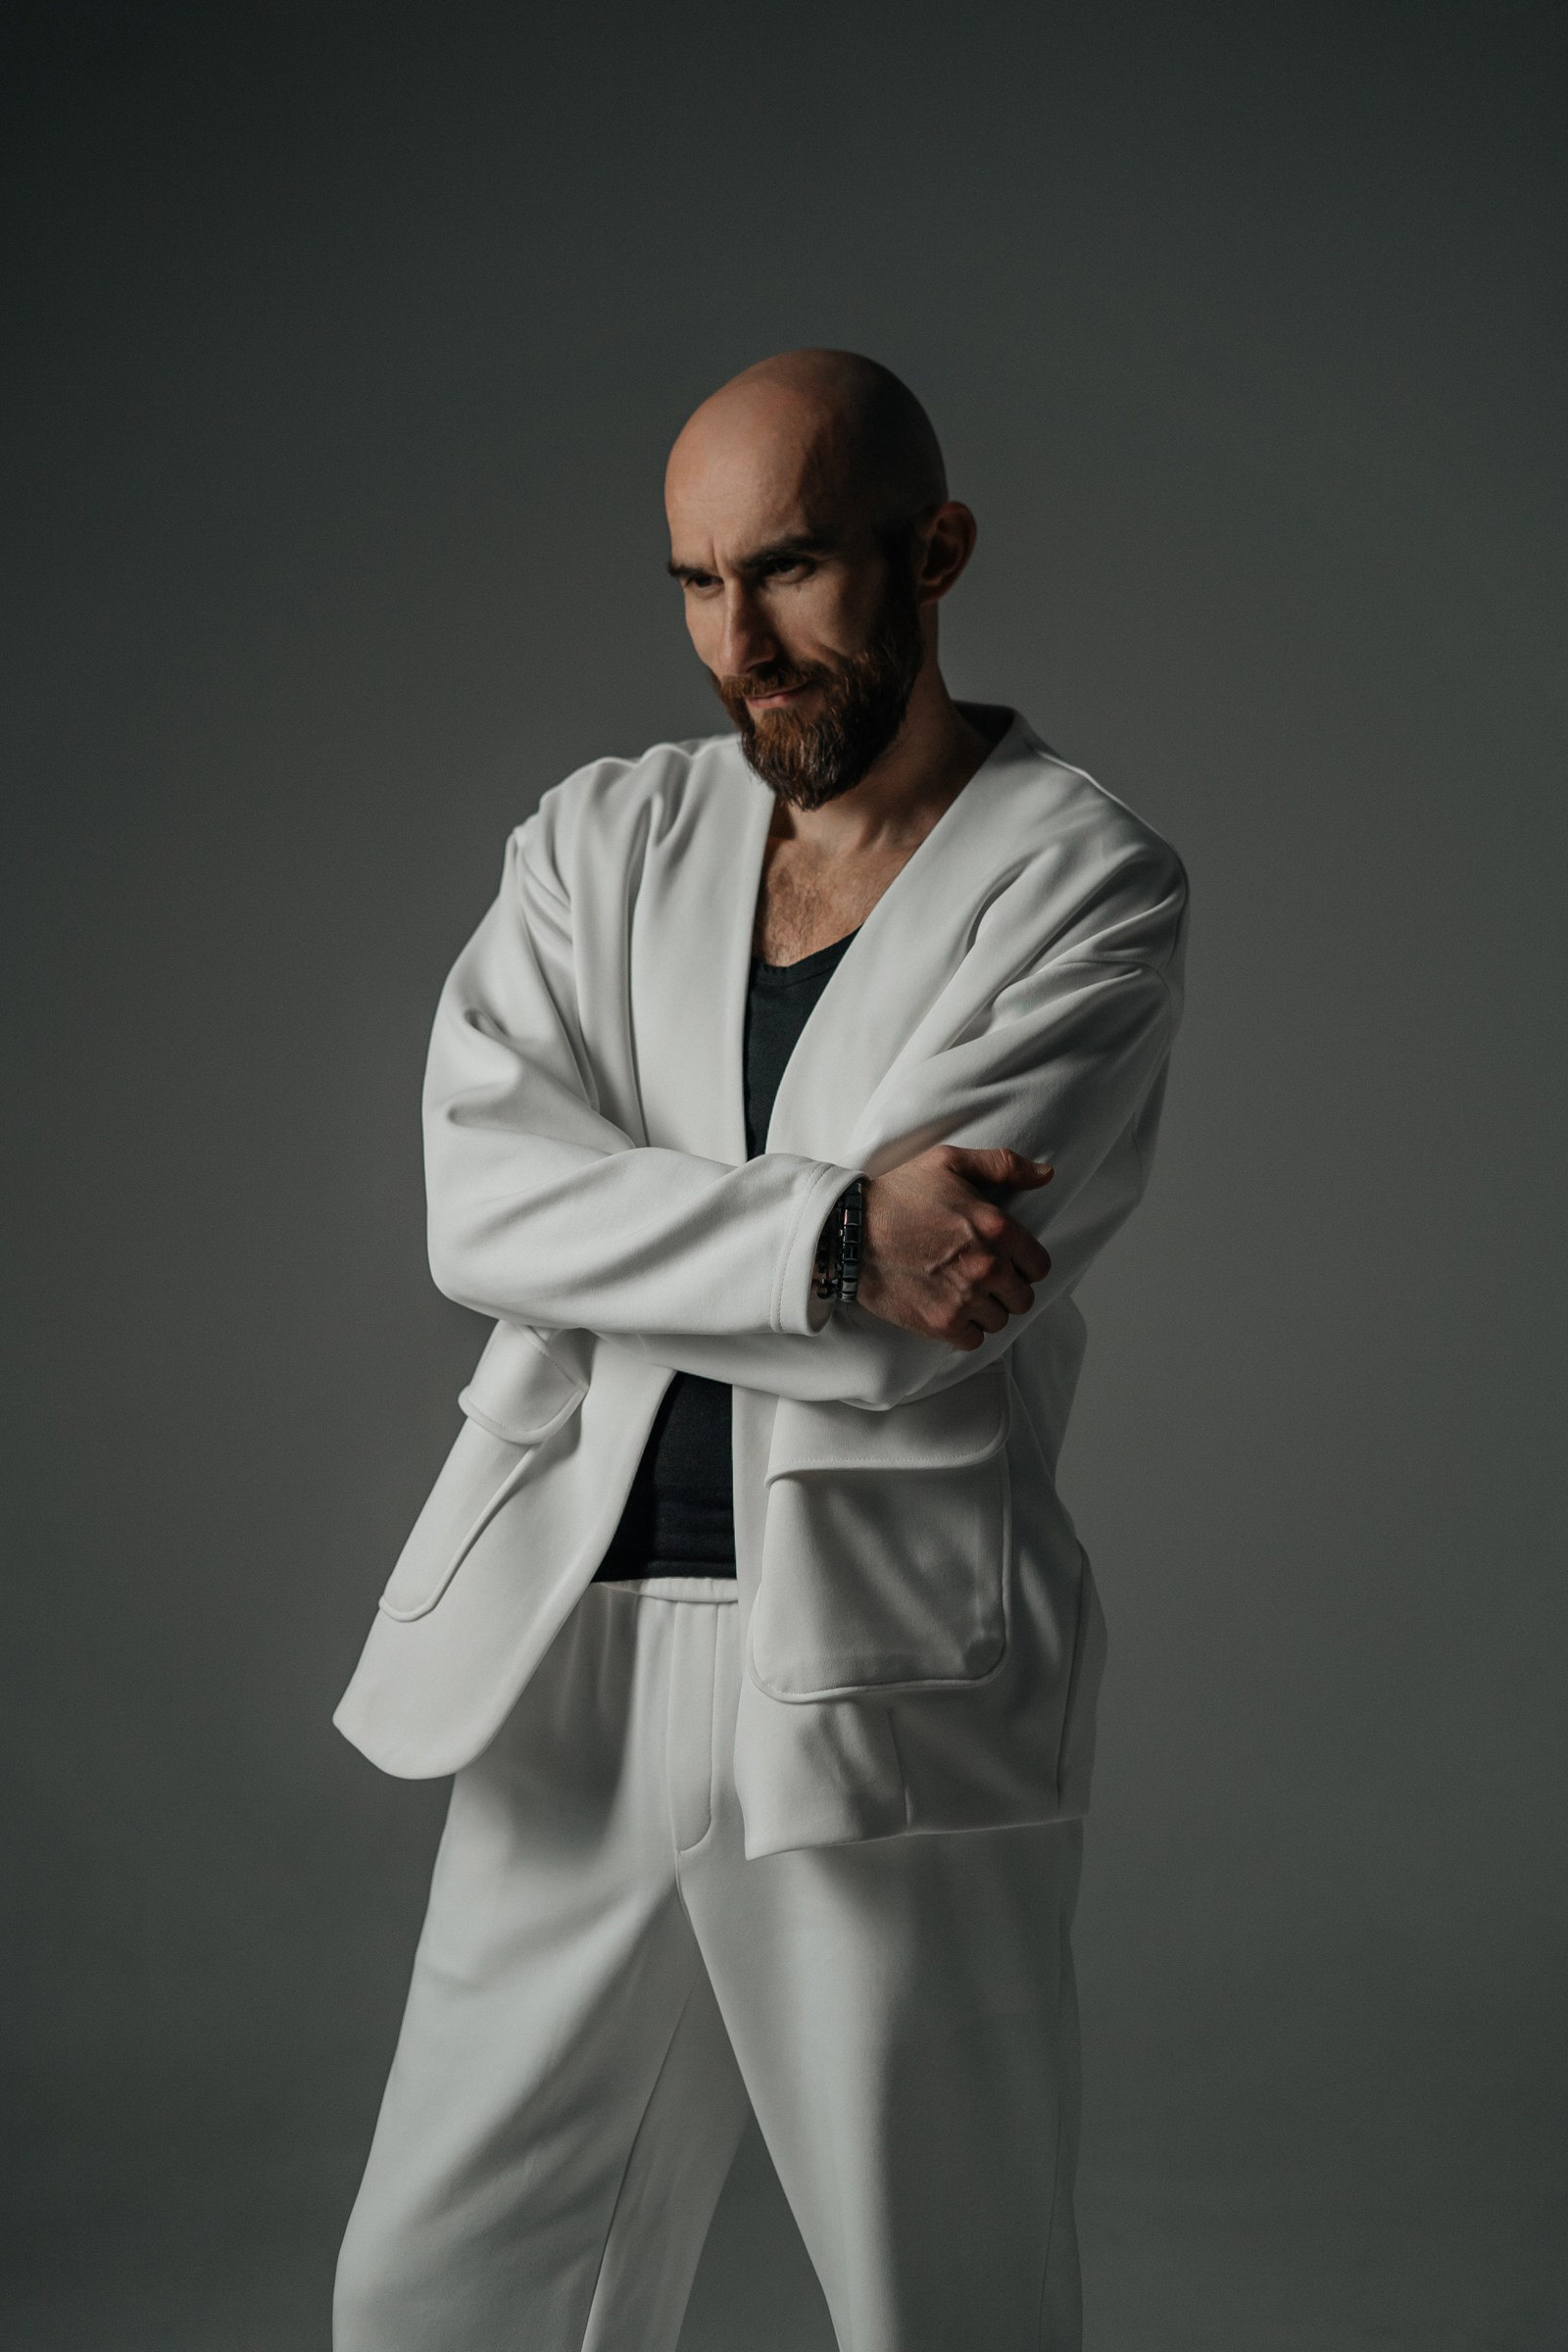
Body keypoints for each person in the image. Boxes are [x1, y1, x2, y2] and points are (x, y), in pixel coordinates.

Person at [331, 348, 1188, 2352]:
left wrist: (659, 1236)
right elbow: (483, 1209)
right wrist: (833, 1234)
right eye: (698, 584)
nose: (741, 643)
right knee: (431, 2299)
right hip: (569, 1648)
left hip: (877, 1675)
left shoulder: (1084, 881)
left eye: (790, 570)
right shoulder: (598, 842)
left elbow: (927, 1328)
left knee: (941, 2301)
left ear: (935, 551)